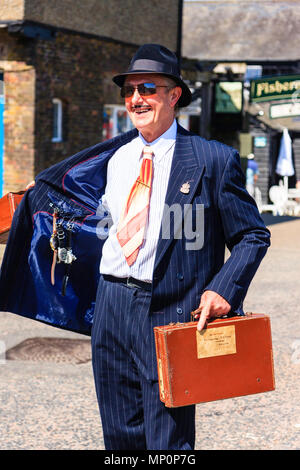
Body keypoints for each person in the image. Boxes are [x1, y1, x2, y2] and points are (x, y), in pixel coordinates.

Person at [0, 44, 270, 451]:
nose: (136, 99)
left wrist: (223, 289)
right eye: (128, 91)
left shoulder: (212, 160)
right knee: (119, 435)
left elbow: (253, 235)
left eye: (147, 88)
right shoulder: (116, 157)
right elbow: (85, 212)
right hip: (110, 307)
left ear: (174, 95)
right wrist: (40, 202)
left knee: (168, 438)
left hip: (170, 309)